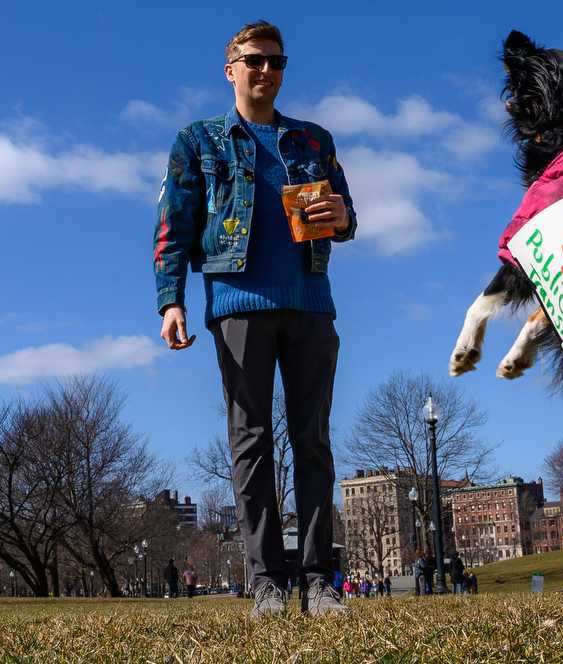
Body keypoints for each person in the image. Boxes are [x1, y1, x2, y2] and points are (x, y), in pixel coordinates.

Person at [152, 20, 357, 620]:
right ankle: (265, 582)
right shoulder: (199, 142)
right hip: (238, 310)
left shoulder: (313, 141)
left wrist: (341, 214)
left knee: (312, 440)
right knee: (251, 443)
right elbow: (174, 228)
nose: (266, 70)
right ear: (231, 69)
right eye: (255, 60)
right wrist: (171, 300)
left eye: (277, 61)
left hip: (311, 305)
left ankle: (320, 582)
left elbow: (347, 221)